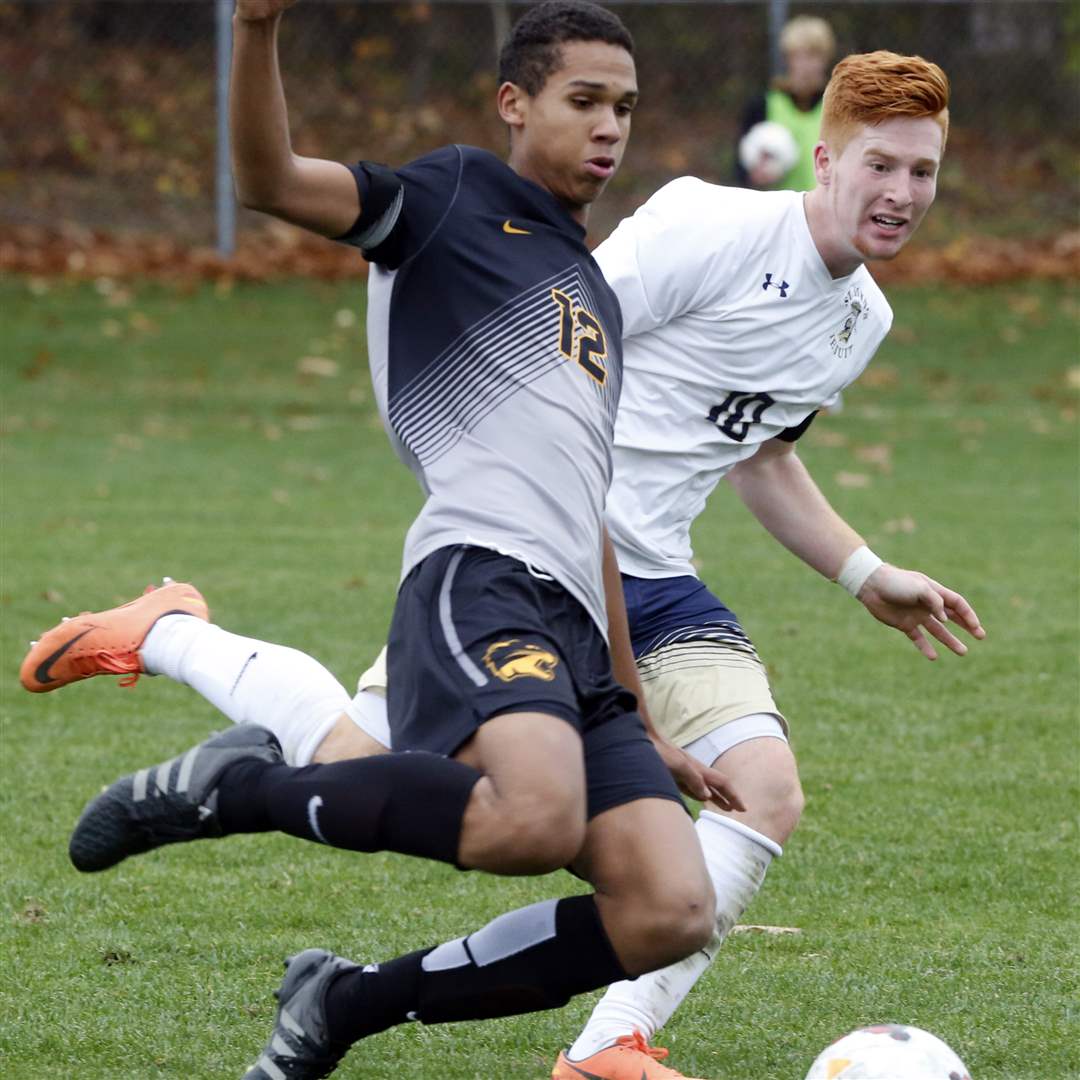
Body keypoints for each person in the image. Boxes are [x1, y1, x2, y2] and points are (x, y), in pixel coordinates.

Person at [22, 50, 985, 1080]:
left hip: (648, 583)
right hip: (528, 554)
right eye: (882, 165)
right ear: (825, 157)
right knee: (350, 764)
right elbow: (553, 328)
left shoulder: (859, 319)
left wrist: (862, 570)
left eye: (923, 173)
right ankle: (173, 631)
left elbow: (761, 453)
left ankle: (606, 1042)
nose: (903, 194)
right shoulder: (710, 227)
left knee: (761, 793)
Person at [736, 15, 836, 190]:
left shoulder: (837, 105)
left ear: (825, 58)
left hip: (825, 208)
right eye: (798, 56)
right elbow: (740, 167)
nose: (805, 65)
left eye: (813, 55)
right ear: (787, 58)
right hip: (779, 209)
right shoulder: (763, 104)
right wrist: (755, 174)